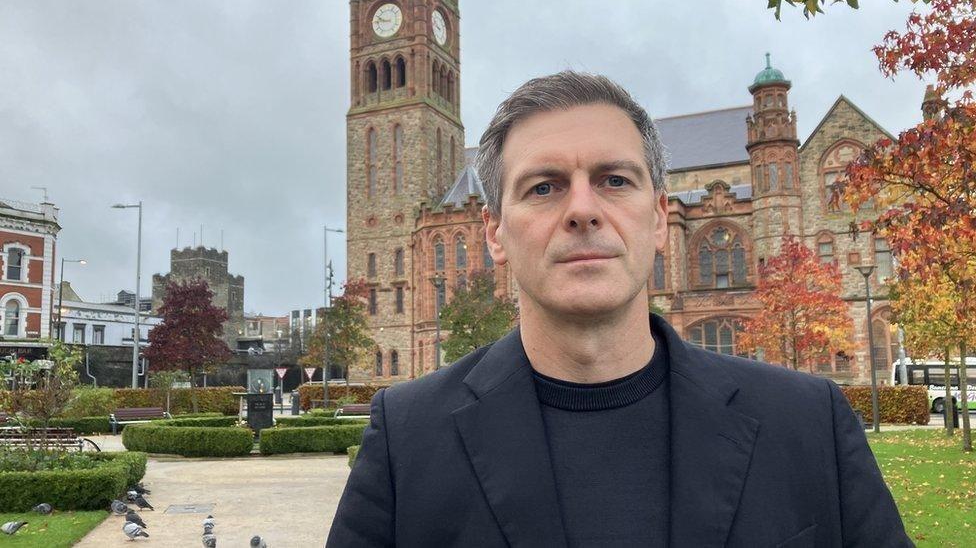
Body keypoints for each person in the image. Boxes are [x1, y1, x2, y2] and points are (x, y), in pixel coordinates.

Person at [326, 71, 912, 547]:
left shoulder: (810, 424)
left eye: (613, 180)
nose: (583, 210)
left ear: (661, 218)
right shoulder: (406, 440)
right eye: (544, 187)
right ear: (494, 233)